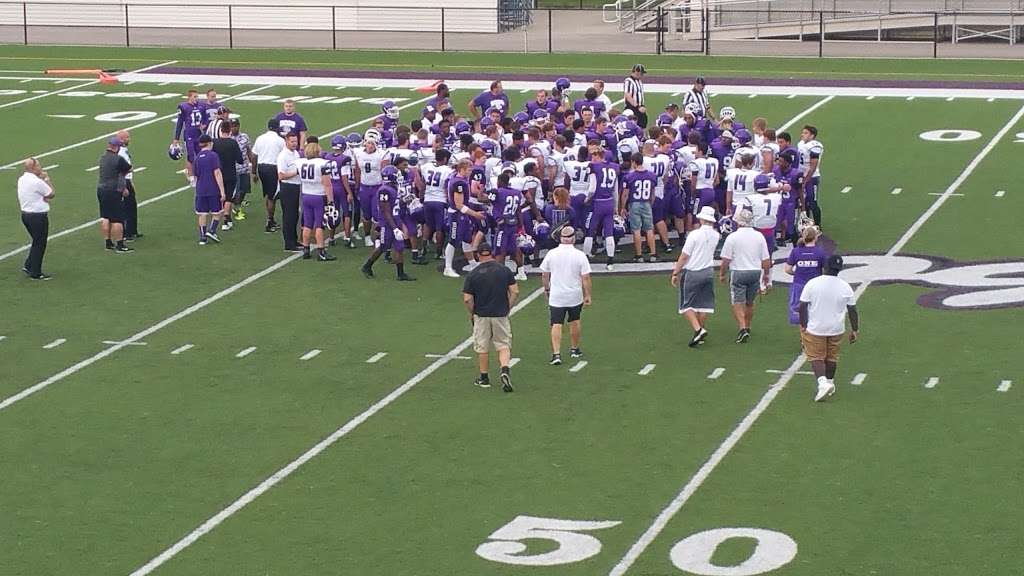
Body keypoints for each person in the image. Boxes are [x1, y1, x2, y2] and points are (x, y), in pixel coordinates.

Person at [799, 254, 859, 402]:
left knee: (816, 357)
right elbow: (852, 309)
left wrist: (803, 324)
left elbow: (802, 306)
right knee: (832, 357)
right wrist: (855, 330)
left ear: (825, 267)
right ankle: (830, 383)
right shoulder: (845, 286)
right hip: (836, 328)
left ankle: (822, 383)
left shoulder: (813, 283)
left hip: (816, 327)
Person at [462, 242, 519, 392]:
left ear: (478, 255)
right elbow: (515, 291)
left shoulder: (473, 274)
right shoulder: (504, 270)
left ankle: (484, 377)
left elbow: (467, 299)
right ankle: (505, 369)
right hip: (500, 313)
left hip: (482, 314)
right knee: (503, 344)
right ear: (492, 254)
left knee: (482, 346)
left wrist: (472, 312)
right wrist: (508, 307)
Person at [540, 226, 592, 366]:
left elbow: (545, 273)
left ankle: (556, 354)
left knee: (556, 323)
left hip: (557, 295)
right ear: (574, 238)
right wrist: (587, 294)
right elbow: (585, 277)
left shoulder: (552, 253)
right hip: (574, 294)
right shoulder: (580, 255)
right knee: (574, 320)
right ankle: (574, 349)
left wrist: (546, 288)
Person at [718, 210, 771, 344]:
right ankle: (747, 325)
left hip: (738, 271)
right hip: (754, 271)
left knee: (737, 301)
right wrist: (766, 275)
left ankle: (742, 328)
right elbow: (766, 259)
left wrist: (722, 273)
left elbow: (726, 259)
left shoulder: (733, 237)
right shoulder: (759, 236)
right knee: (749, 302)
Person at [671, 206, 720, 347]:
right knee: (704, 305)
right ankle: (699, 332)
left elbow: (684, 256)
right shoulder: (716, 235)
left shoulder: (694, 235)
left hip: (693, 272)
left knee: (686, 305)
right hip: (708, 271)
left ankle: (698, 330)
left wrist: (676, 272)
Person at [295, 139, 336, 261]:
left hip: (306, 195)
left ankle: (306, 250)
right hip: (318, 196)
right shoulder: (323, 163)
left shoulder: (301, 163)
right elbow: (327, 184)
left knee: (307, 224)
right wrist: (331, 200)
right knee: (319, 225)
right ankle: (321, 251)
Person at [17, 157, 55, 280]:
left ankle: (29, 265)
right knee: (40, 243)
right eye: (38, 165)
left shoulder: (22, 179)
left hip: (26, 214)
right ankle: (35, 272)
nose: (40, 167)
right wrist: (46, 179)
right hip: (37, 216)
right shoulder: (36, 182)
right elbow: (51, 193)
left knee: (36, 241)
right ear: (33, 168)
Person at [785, 226, 828, 326]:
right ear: (815, 238)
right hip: (816, 286)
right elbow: (826, 270)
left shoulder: (795, 251)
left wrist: (797, 273)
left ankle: (804, 337)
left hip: (799, 285)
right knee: (815, 310)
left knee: (800, 312)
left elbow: (787, 269)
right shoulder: (820, 252)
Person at [96, 137, 133, 253]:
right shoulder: (118, 159)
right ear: (116, 147)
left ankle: (108, 243)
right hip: (113, 190)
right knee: (118, 219)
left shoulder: (102, 158)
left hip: (101, 189)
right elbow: (128, 169)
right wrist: (123, 187)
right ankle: (120, 245)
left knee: (106, 217)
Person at [192, 134, 226, 245]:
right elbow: (217, 173)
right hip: (213, 188)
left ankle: (202, 237)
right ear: (210, 143)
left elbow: (195, 176)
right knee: (218, 212)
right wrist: (222, 190)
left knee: (202, 213)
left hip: (201, 189)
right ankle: (212, 230)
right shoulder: (213, 156)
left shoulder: (197, 158)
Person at [252, 118, 284, 233]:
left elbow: (254, 155)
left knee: (268, 194)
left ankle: (271, 219)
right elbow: (284, 156)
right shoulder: (280, 140)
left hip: (261, 167)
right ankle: (270, 221)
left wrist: (254, 172)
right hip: (272, 168)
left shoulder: (260, 138)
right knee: (273, 196)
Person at [212, 123, 243, 231]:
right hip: (230, 173)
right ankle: (226, 219)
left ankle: (225, 218)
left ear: (220, 130)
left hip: (218, 174)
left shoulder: (215, 142)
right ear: (229, 130)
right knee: (229, 197)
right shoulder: (233, 143)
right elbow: (240, 159)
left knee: (221, 196)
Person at [276, 133, 302, 252]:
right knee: (289, 215)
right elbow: (281, 176)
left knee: (295, 215)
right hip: (288, 187)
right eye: (292, 142)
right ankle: (289, 243)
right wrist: (296, 172)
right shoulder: (283, 156)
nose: (294, 144)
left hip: (295, 186)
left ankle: (294, 239)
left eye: (295, 141)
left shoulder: (295, 153)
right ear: (286, 141)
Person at [116, 129, 141, 241]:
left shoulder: (124, 150)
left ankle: (133, 231)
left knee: (132, 206)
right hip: (124, 181)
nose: (129, 139)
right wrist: (125, 185)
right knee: (127, 207)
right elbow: (123, 170)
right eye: (127, 137)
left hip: (128, 180)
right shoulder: (120, 152)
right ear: (121, 139)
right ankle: (127, 232)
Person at [798, 124, 824, 227]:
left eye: (805, 133)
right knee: (804, 202)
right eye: (803, 132)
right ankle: (807, 225)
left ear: (812, 135)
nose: (802, 134)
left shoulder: (815, 145)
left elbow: (813, 164)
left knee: (812, 202)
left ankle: (818, 225)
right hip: (802, 175)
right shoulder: (801, 144)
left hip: (812, 177)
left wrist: (806, 180)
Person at [229, 117, 254, 223]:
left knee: (245, 189)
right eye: (232, 126)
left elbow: (249, 151)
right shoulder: (227, 138)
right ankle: (237, 208)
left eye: (235, 126)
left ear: (239, 126)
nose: (234, 128)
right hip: (233, 169)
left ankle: (235, 204)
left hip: (244, 168)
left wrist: (253, 166)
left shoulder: (244, 137)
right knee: (238, 190)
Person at [623, 64, 647, 128]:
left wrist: (642, 106)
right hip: (632, 108)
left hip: (640, 107)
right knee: (633, 126)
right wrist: (638, 106)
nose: (642, 75)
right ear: (637, 72)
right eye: (642, 73)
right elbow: (628, 95)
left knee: (642, 124)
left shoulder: (639, 81)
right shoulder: (629, 81)